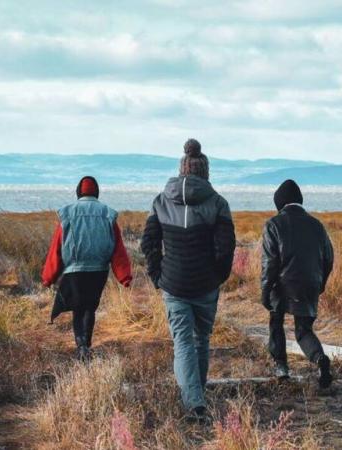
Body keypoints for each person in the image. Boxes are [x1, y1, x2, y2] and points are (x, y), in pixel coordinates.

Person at [141, 139, 236, 421]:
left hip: (174, 283)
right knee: (201, 340)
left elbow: (149, 242)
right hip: (205, 284)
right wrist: (219, 276)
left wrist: (158, 275)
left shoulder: (161, 200)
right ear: (205, 172)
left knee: (182, 342)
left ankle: (194, 402)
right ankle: (197, 398)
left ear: (182, 170)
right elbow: (226, 247)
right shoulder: (218, 203)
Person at [42, 176, 132, 361]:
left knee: (78, 307)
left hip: (74, 270)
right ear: (97, 192)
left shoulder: (67, 214)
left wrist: (48, 277)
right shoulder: (108, 214)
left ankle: (81, 345)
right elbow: (118, 248)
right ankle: (87, 345)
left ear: (78, 192)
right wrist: (124, 276)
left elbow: (57, 248)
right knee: (90, 307)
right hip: (98, 270)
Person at [261, 179, 334, 388]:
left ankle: (281, 368)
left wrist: (265, 291)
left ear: (279, 203)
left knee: (276, 323)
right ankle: (320, 359)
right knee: (303, 330)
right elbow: (328, 258)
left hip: (282, 284)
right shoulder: (316, 225)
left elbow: (270, 263)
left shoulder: (274, 224)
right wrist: (320, 282)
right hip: (311, 282)